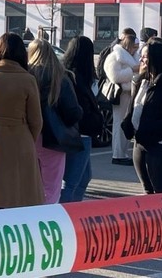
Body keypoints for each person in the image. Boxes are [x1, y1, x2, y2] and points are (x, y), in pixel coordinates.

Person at [0, 33, 44, 210]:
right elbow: (36, 120)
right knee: (20, 194)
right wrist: (27, 137)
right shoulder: (27, 79)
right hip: (21, 138)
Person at [121, 38, 162, 195]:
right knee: (147, 191)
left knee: (161, 191)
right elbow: (134, 107)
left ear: (155, 59)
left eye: (145, 56)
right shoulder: (141, 81)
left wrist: (152, 131)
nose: (141, 59)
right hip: (141, 142)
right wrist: (128, 123)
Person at [28, 39, 82, 205]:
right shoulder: (61, 76)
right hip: (54, 138)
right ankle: (46, 220)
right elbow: (72, 112)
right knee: (51, 186)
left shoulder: (26, 74)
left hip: (29, 135)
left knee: (30, 183)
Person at [60, 36, 103, 203]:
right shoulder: (77, 78)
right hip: (81, 133)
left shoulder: (68, 75)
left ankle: (74, 209)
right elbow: (82, 107)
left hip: (76, 132)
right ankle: (68, 213)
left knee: (84, 177)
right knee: (72, 180)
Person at [104, 34, 140, 165]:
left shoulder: (132, 57)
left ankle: (122, 153)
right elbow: (115, 77)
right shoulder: (114, 57)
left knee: (126, 123)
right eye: (134, 47)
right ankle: (118, 154)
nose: (136, 49)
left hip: (130, 93)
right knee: (119, 123)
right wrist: (133, 71)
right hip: (121, 94)